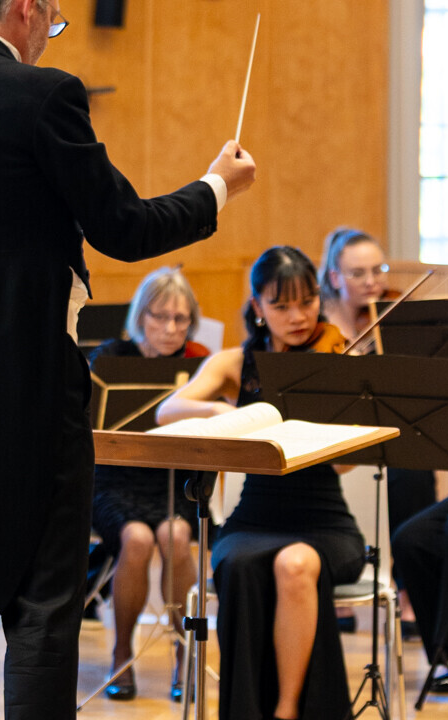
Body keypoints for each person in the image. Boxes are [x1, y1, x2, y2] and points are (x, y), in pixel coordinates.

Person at [0, 0, 256, 717]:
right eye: (54, 19)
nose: (49, 35)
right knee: (42, 606)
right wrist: (215, 187)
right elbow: (123, 229)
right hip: (24, 392)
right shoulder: (43, 96)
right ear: (26, 9)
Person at [156, 246, 362, 720]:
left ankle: (287, 710)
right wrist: (221, 410)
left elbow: (347, 468)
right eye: (281, 305)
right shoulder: (236, 362)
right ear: (258, 307)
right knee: (240, 566)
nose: (298, 316)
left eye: (307, 301)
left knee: (295, 564)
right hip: (253, 519)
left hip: (325, 522)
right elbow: (169, 410)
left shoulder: (338, 356)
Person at [88, 267, 209, 702]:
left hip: (174, 482)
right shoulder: (109, 358)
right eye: (161, 317)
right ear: (141, 316)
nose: (172, 329)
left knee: (176, 535)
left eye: (182, 320)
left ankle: (183, 653)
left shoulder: (198, 365)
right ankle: (122, 651)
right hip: (112, 482)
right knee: (136, 539)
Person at [319, 227, 434, 640]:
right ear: (334, 277)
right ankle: (340, 586)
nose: (372, 282)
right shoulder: (315, 325)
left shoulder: (396, 319)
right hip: (332, 440)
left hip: (387, 434)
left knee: (413, 472)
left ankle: (406, 591)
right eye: (358, 273)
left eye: (377, 270)